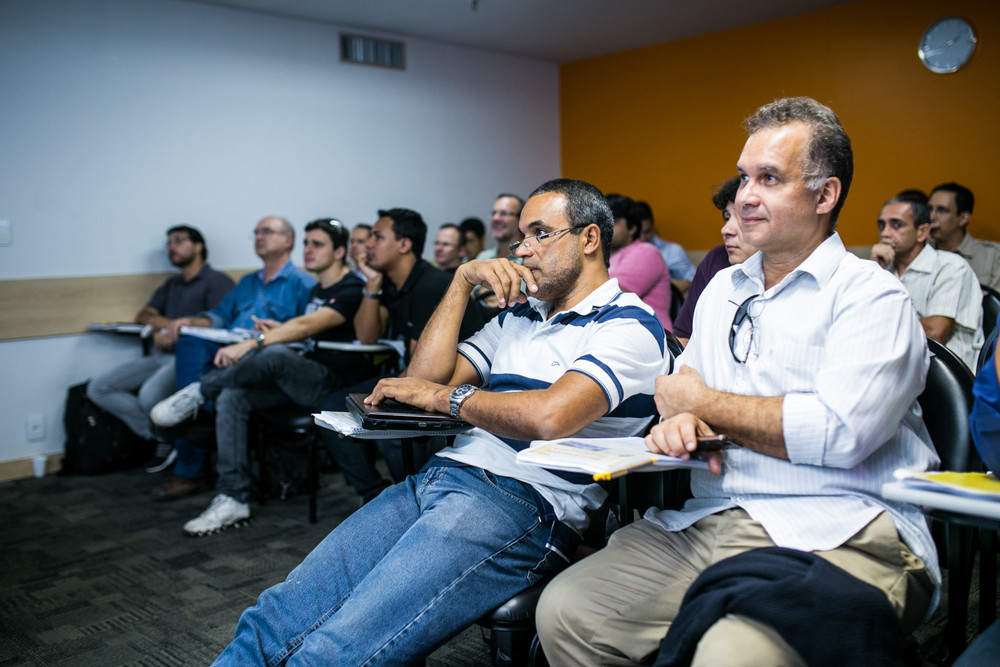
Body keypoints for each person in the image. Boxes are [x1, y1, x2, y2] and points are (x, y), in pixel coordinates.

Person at [537, 97, 941, 665]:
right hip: (715, 519)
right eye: (745, 176)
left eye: (769, 178)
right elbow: (683, 398)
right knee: (568, 612)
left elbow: (840, 435)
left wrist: (702, 402)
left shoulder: (870, 295)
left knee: (733, 653)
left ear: (825, 195)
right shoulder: (723, 291)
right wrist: (680, 422)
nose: (745, 195)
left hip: (842, 527)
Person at [213, 178, 667, 665]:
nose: (522, 250)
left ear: (589, 238)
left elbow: (550, 416)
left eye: (540, 234)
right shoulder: (519, 318)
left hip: (524, 502)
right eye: (521, 238)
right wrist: (461, 282)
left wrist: (444, 398)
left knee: (333, 652)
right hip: (440, 477)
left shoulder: (629, 325)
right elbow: (420, 382)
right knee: (274, 616)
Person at [150, 220, 374, 535]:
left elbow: (308, 326)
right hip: (302, 377)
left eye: (317, 244)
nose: (308, 250)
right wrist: (276, 330)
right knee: (233, 397)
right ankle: (233, 497)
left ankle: (200, 391)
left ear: (339, 252)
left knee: (274, 354)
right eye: (306, 243)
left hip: (331, 384)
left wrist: (254, 342)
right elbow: (307, 332)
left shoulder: (350, 286)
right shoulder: (316, 289)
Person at [320, 208, 485, 502]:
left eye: (377, 237)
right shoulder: (392, 283)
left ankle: (414, 497)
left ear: (404, 244)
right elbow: (367, 336)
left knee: (389, 426)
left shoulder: (429, 285)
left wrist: (389, 390)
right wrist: (372, 287)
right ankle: (375, 494)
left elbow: (421, 373)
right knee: (335, 405)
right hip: (415, 375)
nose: (368, 244)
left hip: (454, 383)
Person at [151, 216, 315, 501]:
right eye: (256, 233)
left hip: (264, 356)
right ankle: (202, 411)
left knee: (221, 380)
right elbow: (219, 316)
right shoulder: (247, 282)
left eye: (267, 232)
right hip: (228, 348)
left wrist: (271, 334)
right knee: (190, 343)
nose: (259, 237)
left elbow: (305, 334)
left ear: (288, 240)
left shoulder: (303, 283)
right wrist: (193, 321)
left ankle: (196, 436)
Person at [86, 225, 233, 471]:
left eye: (179, 240)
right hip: (160, 355)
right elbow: (144, 315)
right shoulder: (172, 285)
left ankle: (168, 439)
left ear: (198, 246)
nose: (171, 247)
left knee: (149, 396)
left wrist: (174, 329)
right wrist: (165, 328)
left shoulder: (217, 282)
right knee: (99, 388)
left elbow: (218, 324)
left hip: (189, 358)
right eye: (168, 242)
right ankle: (161, 437)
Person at [871, 197, 983, 369]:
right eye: (882, 225)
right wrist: (874, 270)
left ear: (922, 232)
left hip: (945, 374)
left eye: (897, 225)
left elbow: (935, 333)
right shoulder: (882, 270)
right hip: (895, 369)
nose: (885, 233)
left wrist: (875, 324)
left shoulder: (951, 267)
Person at [673, 176, 754, 344]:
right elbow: (684, 335)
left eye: (743, 217)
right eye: (727, 217)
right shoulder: (716, 260)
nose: (726, 230)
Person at [606, 193, 673, 330]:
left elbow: (614, 295)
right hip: (618, 330)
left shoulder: (645, 251)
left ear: (632, 228)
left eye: (614, 221)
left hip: (650, 334)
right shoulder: (604, 255)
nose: (606, 226)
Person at [928, 182, 1000, 292]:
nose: (932, 217)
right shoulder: (922, 254)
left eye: (942, 210)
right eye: (929, 209)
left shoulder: (993, 256)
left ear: (963, 219)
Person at [635, 199, 697, 292]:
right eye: (637, 233)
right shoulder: (622, 253)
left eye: (646, 232)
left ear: (652, 226)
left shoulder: (673, 251)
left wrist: (668, 285)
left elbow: (693, 282)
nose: (642, 238)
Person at [476, 193, 525, 259]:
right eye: (493, 213)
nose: (495, 218)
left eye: (504, 213)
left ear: (520, 219)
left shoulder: (527, 258)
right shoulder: (483, 258)